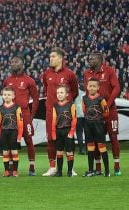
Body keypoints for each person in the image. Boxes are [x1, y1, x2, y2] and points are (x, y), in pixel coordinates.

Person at [41, 48, 78, 176]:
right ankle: (52, 167)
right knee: (51, 139)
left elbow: (74, 91)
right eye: (50, 56)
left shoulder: (69, 74)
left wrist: (66, 106)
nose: (50, 58)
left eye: (53, 56)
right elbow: (47, 90)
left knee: (68, 139)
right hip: (51, 112)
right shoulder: (46, 74)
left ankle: (70, 168)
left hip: (66, 112)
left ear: (61, 58)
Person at [84, 52, 121, 175]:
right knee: (95, 140)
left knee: (113, 137)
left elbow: (117, 88)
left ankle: (116, 165)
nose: (90, 60)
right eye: (89, 58)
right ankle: (98, 167)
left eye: (92, 58)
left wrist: (108, 104)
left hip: (110, 111)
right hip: (95, 114)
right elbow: (87, 91)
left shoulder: (109, 71)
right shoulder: (87, 74)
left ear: (100, 59)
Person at [3, 56, 39, 176]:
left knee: (28, 139)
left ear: (22, 64)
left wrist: (32, 114)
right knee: (11, 141)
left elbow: (35, 98)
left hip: (25, 114)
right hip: (11, 115)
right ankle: (12, 168)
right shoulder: (7, 80)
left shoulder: (29, 80)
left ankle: (32, 167)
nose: (13, 63)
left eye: (16, 62)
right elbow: (5, 97)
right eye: (12, 62)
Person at [82, 78, 110, 177]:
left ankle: (107, 171)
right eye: (90, 86)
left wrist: (99, 119)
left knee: (102, 147)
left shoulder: (101, 99)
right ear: (87, 87)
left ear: (98, 87)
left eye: (94, 86)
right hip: (88, 125)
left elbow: (106, 112)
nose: (92, 88)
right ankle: (90, 170)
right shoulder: (84, 98)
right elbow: (84, 111)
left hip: (99, 125)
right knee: (90, 148)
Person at [0, 87, 23, 177]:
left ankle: (15, 171)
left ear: (13, 96)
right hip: (4, 132)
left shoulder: (17, 107)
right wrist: (0, 134)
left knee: (14, 152)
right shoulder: (0, 108)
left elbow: (20, 123)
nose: (6, 96)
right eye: (5, 95)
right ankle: (6, 171)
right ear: (2, 96)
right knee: (5, 152)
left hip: (14, 132)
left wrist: (19, 136)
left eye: (9, 95)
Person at [51, 85, 77, 177]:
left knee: (69, 152)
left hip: (68, 131)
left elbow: (74, 119)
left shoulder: (71, 105)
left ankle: (70, 171)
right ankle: (59, 172)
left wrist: (71, 132)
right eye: (58, 93)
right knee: (59, 152)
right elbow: (54, 120)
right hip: (58, 132)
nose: (59, 94)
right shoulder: (55, 106)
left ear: (66, 94)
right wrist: (53, 133)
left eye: (61, 93)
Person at [74, 84, 86, 155]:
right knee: (88, 133)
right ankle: (89, 149)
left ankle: (81, 149)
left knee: (79, 133)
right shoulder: (85, 93)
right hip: (86, 115)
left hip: (78, 116)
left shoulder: (74, 93)